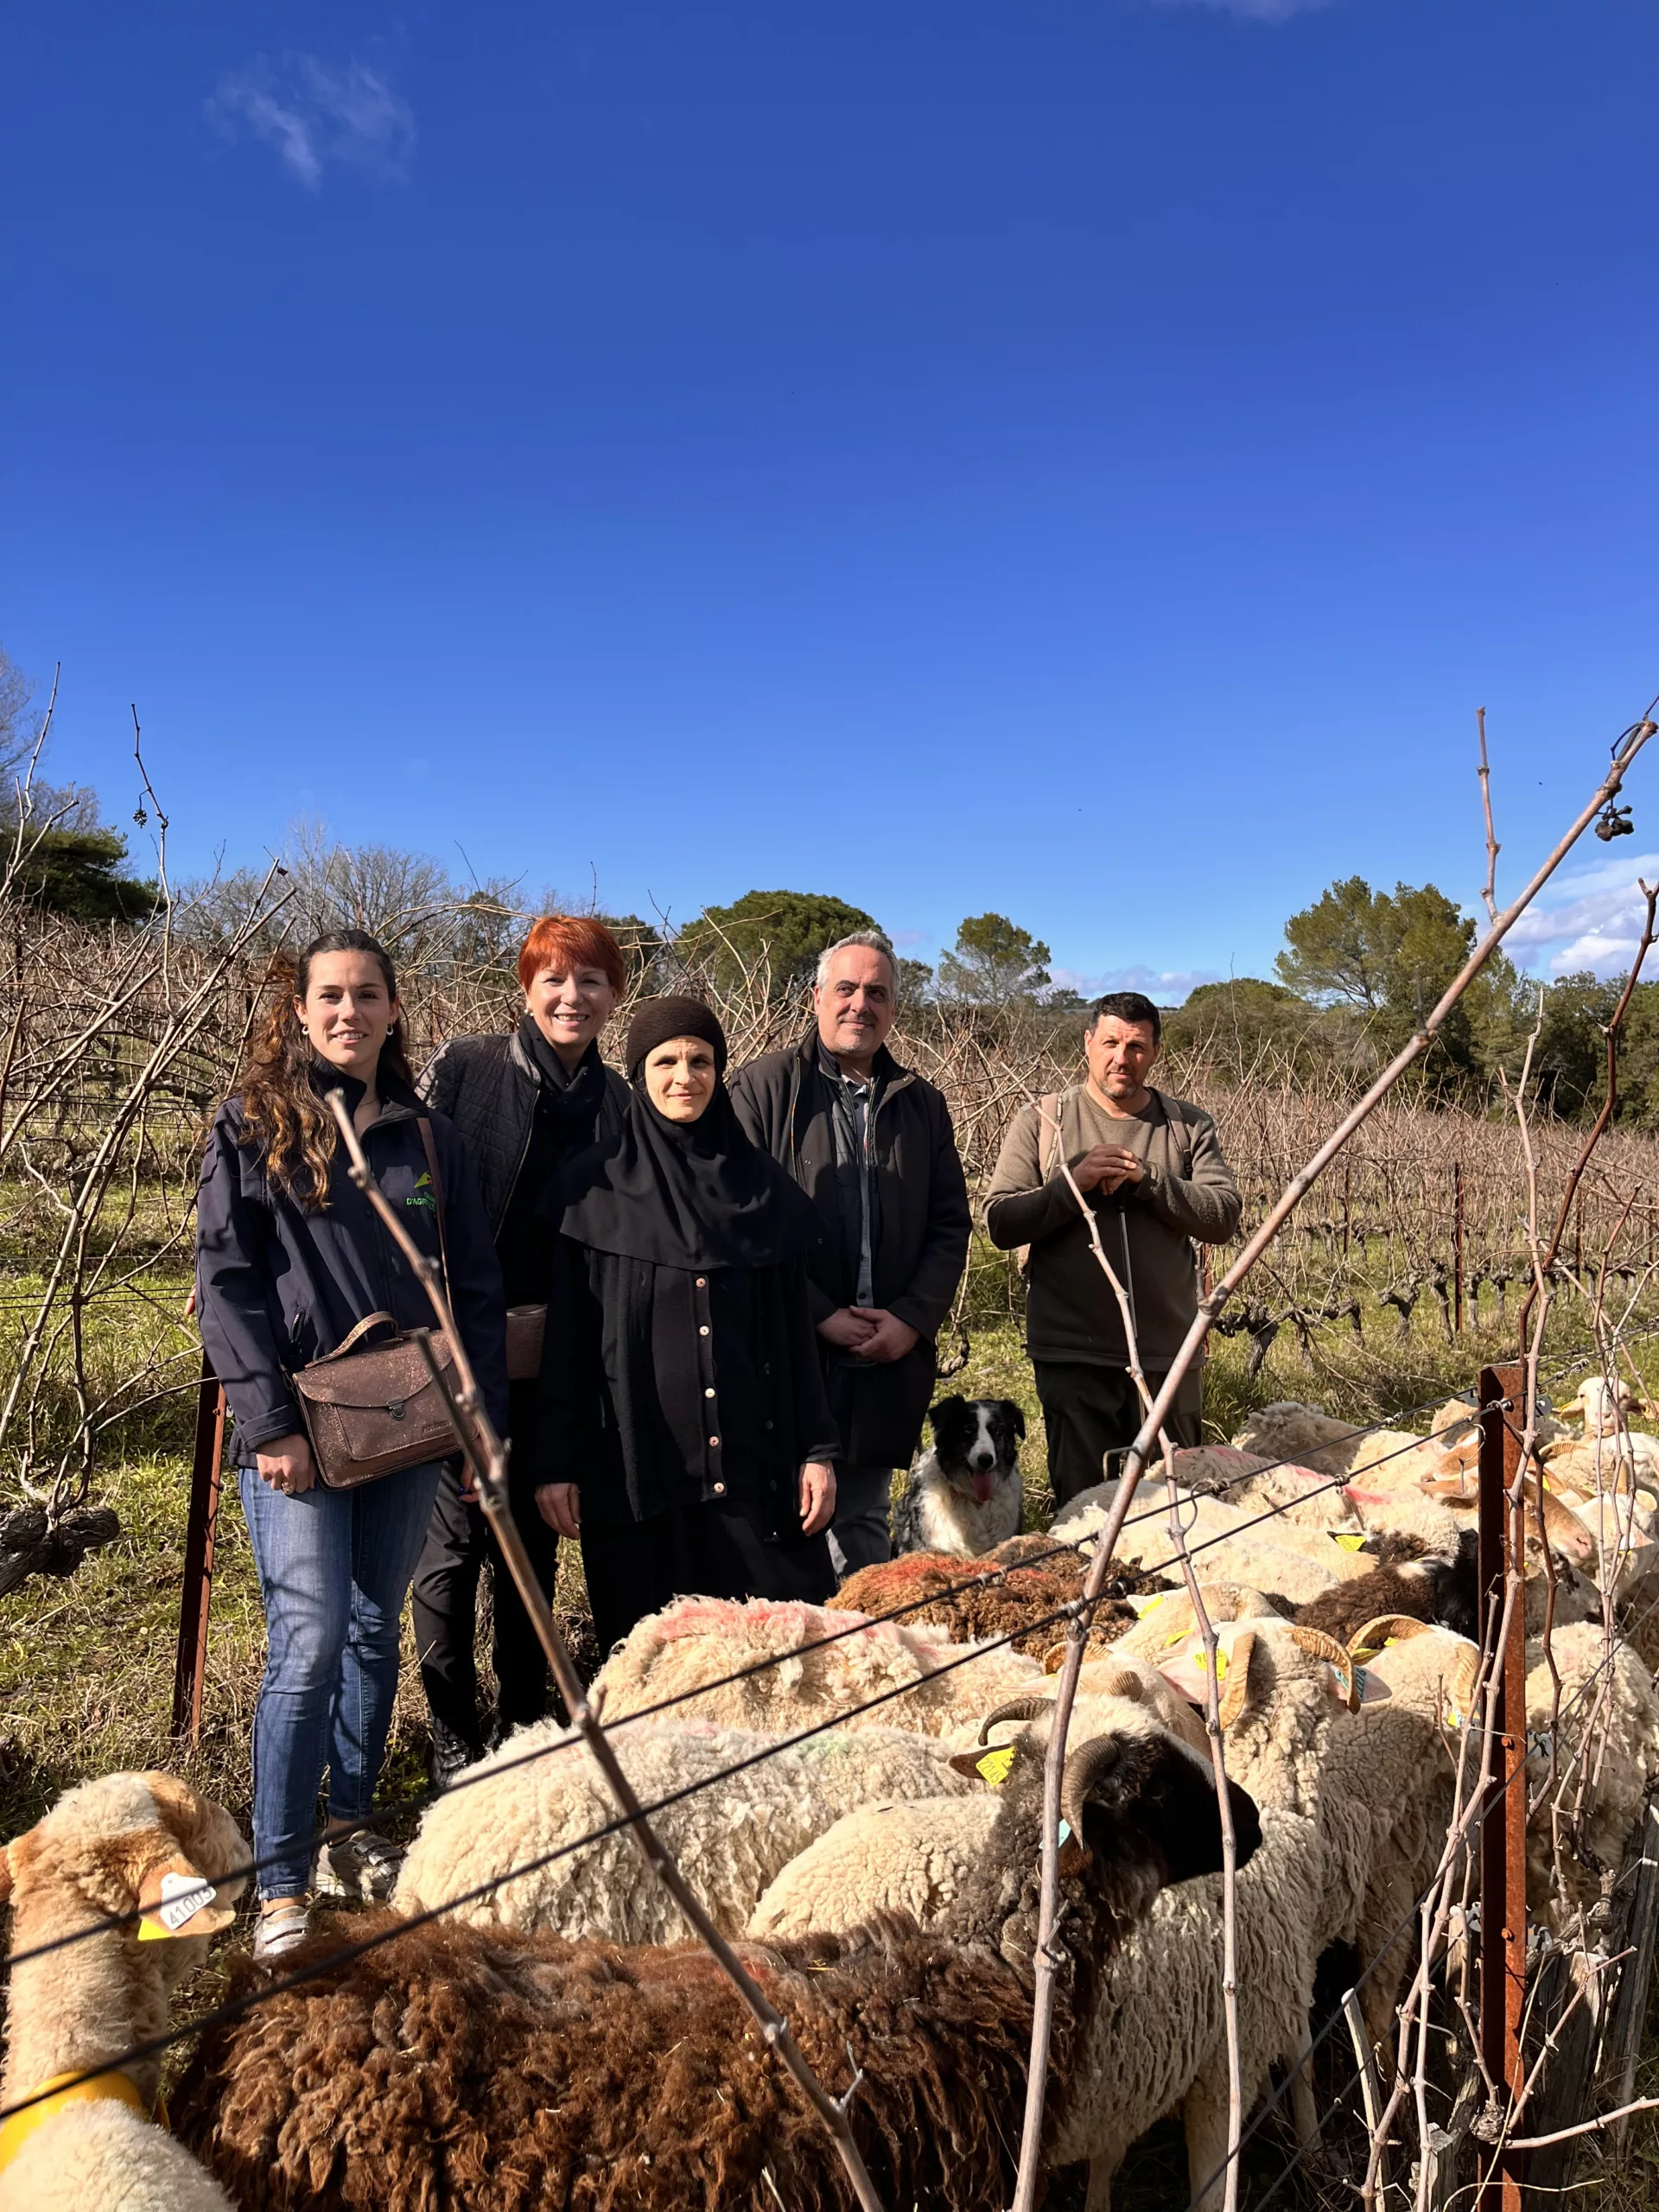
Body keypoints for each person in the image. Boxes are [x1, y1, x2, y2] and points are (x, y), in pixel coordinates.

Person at [194, 930, 508, 1958]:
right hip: (301, 1434)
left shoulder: (428, 1140)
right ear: (298, 1010)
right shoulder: (249, 1129)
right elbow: (227, 1281)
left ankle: (349, 1826)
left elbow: (475, 1290)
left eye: (367, 995)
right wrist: (268, 1422)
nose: (347, 1012)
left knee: (379, 1636)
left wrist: (477, 1421)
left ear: (393, 1010)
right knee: (310, 1640)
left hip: (413, 1428)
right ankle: (279, 1878)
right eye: (329, 995)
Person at [534, 996, 840, 1658]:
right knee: (654, 1670)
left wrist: (817, 1452)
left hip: (755, 1477)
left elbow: (795, 1341)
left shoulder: (762, 1191)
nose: (685, 1076)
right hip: (638, 1480)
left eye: (700, 1060)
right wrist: (554, 1463)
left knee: (776, 1663)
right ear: (639, 1073)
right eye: (665, 1061)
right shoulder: (591, 1192)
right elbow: (568, 1349)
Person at [410, 915, 629, 1786]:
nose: (571, 996)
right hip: (466, 1345)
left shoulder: (621, 1102)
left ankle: (523, 1714)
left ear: (615, 996)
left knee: (533, 1543)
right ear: (526, 987)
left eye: (591, 981)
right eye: (554, 979)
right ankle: (450, 1729)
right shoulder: (466, 1069)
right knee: (455, 1541)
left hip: (565, 1356)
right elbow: (407, 1174)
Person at [729, 931, 971, 1576]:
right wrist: (816, 1314)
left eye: (877, 993)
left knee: (861, 1519)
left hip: (884, 1361)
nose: (860, 1004)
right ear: (816, 998)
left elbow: (950, 1226)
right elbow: (737, 1222)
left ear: (893, 1009)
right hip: (785, 1351)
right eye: (846, 989)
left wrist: (912, 1320)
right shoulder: (762, 1090)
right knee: (780, 1520)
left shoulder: (922, 1104)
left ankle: (859, 1662)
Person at [985, 989, 1242, 1507]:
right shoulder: (1042, 1122)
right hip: (1073, 1356)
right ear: (1087, 1044)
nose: (1122, 1058)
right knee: (1084, 1508)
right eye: (1110, 1043)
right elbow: (1000, 1221)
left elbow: (1223, 1217)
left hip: (1169, 1356)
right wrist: (1070, 1184)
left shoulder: (1188, 1126)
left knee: (1177, 1502)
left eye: (1137, 1046)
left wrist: (1151, 1182)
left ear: (1156, 1051)